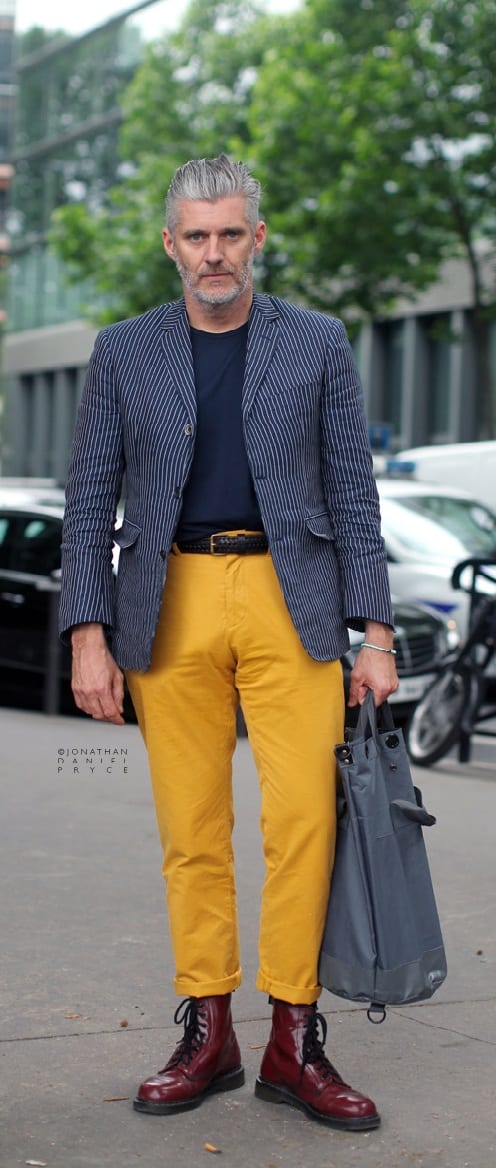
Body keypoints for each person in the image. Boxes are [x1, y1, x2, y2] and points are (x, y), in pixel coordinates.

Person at [60, 154, 398, 1132]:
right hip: (168, 598)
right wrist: (88, 632)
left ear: (257, 238)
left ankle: (294, 1039)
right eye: (195, 236)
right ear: (171, 245)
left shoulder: (319, 342)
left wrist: (375, 633)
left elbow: (352, 493)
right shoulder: (125, 351)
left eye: (230, 233)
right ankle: (209, 1031)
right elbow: (90, 499)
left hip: (295, 598)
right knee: (191, 833)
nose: (214, 252)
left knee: (303, 825)